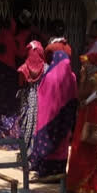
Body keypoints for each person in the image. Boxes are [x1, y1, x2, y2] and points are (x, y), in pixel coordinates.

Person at [29, 48, 78, 178]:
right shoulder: (72, 76)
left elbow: (42, 95)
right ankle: (59, 171)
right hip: (65, 117)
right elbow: (74, 96)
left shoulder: (49, 76)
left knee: (49, 141)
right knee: (62, 144)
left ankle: (46, 170)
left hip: (48, 118)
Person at [67, 52, 97, 193]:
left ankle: (82, 184)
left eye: (86, 64)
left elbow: (86, 94)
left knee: (83, 147)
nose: (83, 66)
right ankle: (91, 185)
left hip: (89, 115)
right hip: (95, 115)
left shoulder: (93, 78)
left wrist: (83, 81)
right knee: (91, 148)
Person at [0, 18, 20, 145]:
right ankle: (9, 139)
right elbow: (18, 55)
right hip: (10, 77)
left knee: (0, 107)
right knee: (10, 108)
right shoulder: (12, 40)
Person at [18, 41, 46, 158]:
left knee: (26, 126)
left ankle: (25, 153)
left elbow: (20, 84)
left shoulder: (23, 69)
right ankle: (36, 153)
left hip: (27, 104)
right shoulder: (46, 68)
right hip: (42, 103)